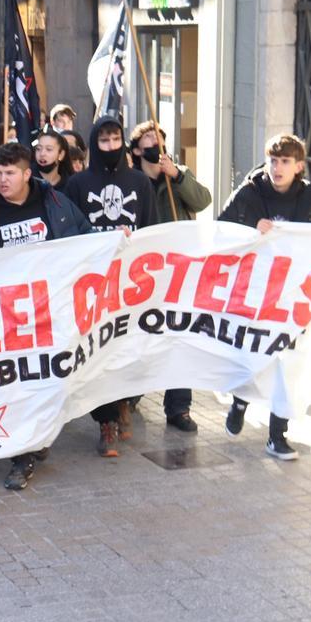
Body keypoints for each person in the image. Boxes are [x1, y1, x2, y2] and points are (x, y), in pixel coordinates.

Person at [0, 142, 92, 489]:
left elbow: (85, 239)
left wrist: (114, 242)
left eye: (10, 173)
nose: (1, 180)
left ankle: (36, 439)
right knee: (16, 386)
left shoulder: (55, 204)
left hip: (52, 314)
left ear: (28, 174)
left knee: (48, 384)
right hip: (7, 320)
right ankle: (24, 455)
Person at [219, 134, 311, 461]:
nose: (277, 168)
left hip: (292, 294)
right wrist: (252, 228)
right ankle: (240, 400)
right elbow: (221, 229)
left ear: (299, 166)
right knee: (254, 353)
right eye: (273, 161)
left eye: (285, 162)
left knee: (288, 363)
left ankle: (277, 435)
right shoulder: (250, 193)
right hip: (254, 292)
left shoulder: (310, 199)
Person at [63, 116, 158, 458]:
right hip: (92, 285)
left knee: (128, 348)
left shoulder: (140, 183)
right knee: (97, 350)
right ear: (94, 144)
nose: (110, 146)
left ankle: (125, 403)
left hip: (130, 282)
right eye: (103, 141)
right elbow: (70, 232)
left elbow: (150, 229)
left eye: (116, 139)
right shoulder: (77, 185)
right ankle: (106, 420)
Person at [128, 120, 215, 433]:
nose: (156, 145)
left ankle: (179, 408)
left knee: (180, 339)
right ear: (137, 150)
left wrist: (176, 177)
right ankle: (130, 395)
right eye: (149, 140)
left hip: (178, 273)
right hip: (142, 275)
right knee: (139, 338)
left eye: (160, 140)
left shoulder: (178, 176)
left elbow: (202, 200)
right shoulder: (132, 183)